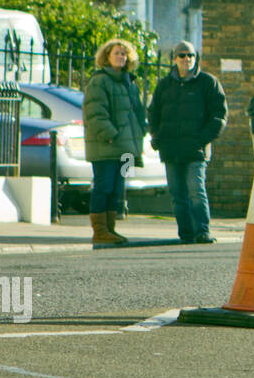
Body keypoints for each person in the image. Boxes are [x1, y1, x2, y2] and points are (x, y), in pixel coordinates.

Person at [146, 40, 227, 244]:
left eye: (190, 55)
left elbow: (219, 116)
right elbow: (153, 113)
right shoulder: (165, 85)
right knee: (177, 194)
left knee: (196, 191)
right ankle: (186, 234)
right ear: (174, 59)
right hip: (171, 149)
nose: (187, 59)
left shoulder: (208, 83)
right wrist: (157, 137)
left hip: (196, 150)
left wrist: (202, 140)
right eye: (182, 55)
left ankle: (202, 231)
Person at [82, 38, 147, 246]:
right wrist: (110, 134)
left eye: (124, 54)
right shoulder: (100, 81)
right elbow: (95, 112)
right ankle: (99, 230)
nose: (121, 57)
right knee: (104, 185)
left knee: (118, 187)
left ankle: (110, 229)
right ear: (107, 57)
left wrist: (141, 131)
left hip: (126, 148)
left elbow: (136, 112)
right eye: (117, 53)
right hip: (107, 145)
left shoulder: (129, 82)